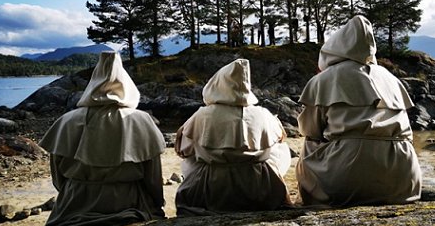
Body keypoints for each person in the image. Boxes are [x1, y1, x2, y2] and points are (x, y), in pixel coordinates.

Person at [296, 16, 422, 207]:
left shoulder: (325, 79)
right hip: (403, 177)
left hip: (348, 175)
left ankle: (315, 198)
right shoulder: (390, 78)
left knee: (309, 142)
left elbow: (309, 129)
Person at [39, 51, 166, 226]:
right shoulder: (141, 120)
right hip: (129, 204)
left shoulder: (66, 121)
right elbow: (152, 176)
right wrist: (156, 203)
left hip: (74, 207)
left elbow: (58, 177)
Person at [175, 58, 292, 215]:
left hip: (212, 186)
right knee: (281, 150)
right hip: (259, 186)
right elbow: (280, 138)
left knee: (192, 157)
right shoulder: (263, 113)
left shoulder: (202, 115)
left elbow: (182, 150)